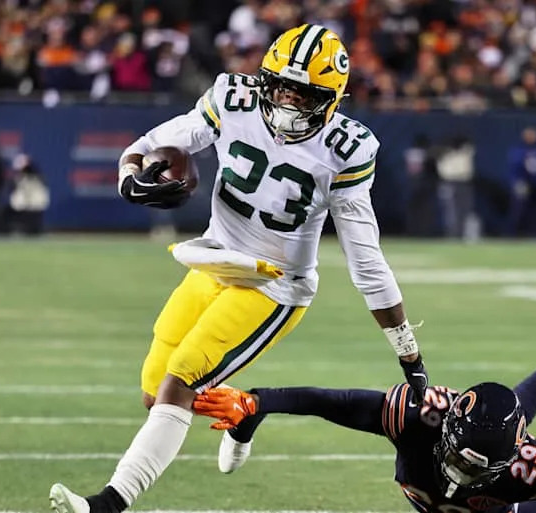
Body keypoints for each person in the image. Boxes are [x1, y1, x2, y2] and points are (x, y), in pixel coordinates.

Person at [49, 24, 429, 513]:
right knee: (154, 393)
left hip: (273, 285)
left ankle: (106, 505)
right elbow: (155, 141)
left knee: (179, 384)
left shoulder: (347, 149)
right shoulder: (233, 97)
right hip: (213, 261)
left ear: (331, 99)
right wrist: (129, 174)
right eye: (282, 88)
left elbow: (365, 258)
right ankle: (243, 412)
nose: (288, 104)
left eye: (304, 94)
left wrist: (408, 353)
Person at [193, 317, 536, 513]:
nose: (459, 469)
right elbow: (332, 403)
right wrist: (257, 402)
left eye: (472, 465)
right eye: (460, 456)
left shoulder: (527, 468)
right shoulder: (419, 417)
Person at [508, 128, 536, 238]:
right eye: (529, 135)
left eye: (533, 135)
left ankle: (535, 233)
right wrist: (516, 182)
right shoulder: (518, 151)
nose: (531, 138)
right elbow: (513, 168)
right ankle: (516, 234)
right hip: (524, 183)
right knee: (519, 210)